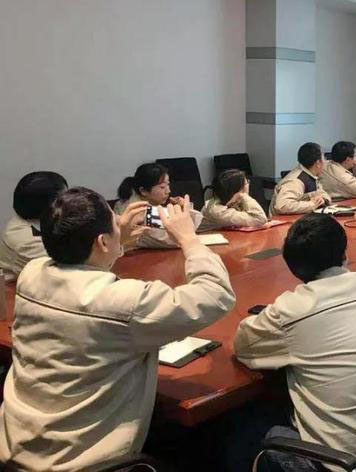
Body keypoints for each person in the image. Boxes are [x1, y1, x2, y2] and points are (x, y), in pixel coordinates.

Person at [0, 188, 235, 471]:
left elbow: (84, 273)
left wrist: (116, 239)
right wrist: (189, 238)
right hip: (79, 461)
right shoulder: (125, 302)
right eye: (115, 223)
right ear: (101, 241)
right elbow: (215, 294)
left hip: (18, 444)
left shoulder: (31, 274)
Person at [234, 213, 356, 470]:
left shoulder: (291, 310)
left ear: (293, 268)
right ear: (344, 253)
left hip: (346, 464)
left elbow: (243, 346)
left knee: (240, 432)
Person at [116, 163, 202, 248]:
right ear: (143, 191)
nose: (168, 191)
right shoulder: (139, 210)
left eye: (168, 184)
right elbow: (176, 239)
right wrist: (184, 210)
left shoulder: (141, 202)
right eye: (162, 187)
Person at [0, 171, 67, 281]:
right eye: (63, 199)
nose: (69, 202)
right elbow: (64, 272)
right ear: (48, 205)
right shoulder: (26, 241)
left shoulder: (39, 220)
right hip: (19, 289)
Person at [269, 143, 331, 216]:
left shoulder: (310, 175)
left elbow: (323, 194)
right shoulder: (296, 181)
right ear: (317, 163)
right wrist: (311, 204)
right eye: (324, 158)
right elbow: (282, 205)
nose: (325, 161)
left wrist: (323, 200)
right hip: (283, 221)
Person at [199, 169, 268, 231]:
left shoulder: (230, 199)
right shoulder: (218, 211)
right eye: (247, 183)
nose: (248, 185)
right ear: (238, 189)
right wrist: (243, 195)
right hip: (206, 238)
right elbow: (260, 219)